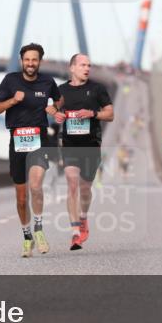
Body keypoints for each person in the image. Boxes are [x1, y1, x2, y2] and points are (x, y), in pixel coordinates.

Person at [0, 43, 61, 257]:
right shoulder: (10, 81)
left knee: (36, 186)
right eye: (27, 60)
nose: (31, 63)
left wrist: (54, 108)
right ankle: (27, 236)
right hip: (17, 141)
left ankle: (39, 229)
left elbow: (59, 100)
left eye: (34, 60)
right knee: (21, 198)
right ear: (22, 61)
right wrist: (12, 100)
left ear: (40, 61)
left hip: (39, 139)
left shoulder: (48, 82)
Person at [53, 54, 113, 250]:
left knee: (85, 188)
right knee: (71, 182)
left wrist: (93, 113)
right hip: (69, 144)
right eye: (82, 65)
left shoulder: (97, 89)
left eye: (89, 65)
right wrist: (56, 113)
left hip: (91, 144)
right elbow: (49, 108)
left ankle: (84, 218)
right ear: (72, 68)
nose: (87, 68)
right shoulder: (61, 91)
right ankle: (75, 233)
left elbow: (110, 114)